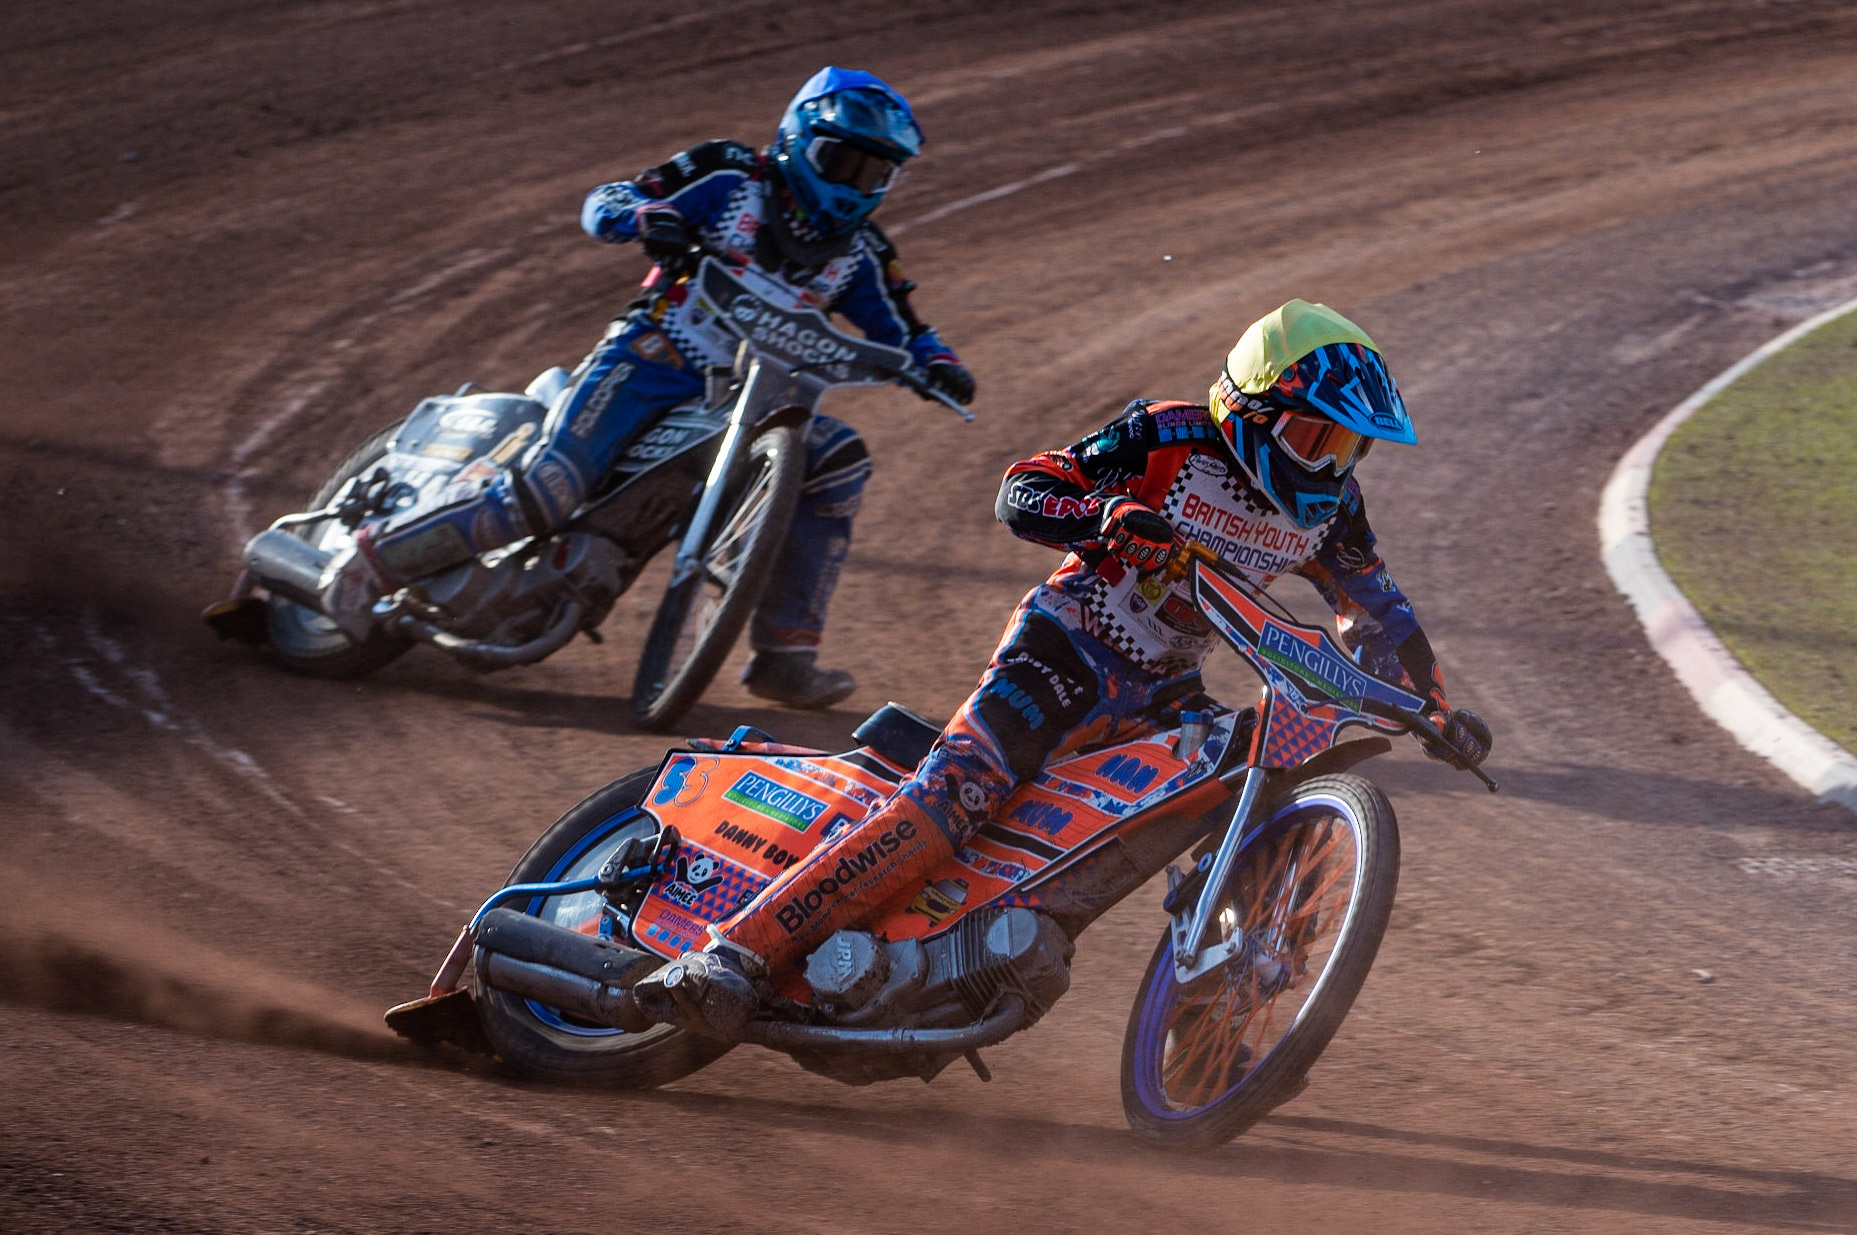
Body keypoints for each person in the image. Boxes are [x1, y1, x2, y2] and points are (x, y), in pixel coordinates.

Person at [630, 298, 1491, 1037]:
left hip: (1164, 687)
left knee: (1222, 788)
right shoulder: (1169, 435)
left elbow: (1377, 609)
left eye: (1349, 446)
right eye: (1317, 434)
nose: (1333, 461)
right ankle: (731, 957)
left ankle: (1159, 1004)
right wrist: (1106, 513)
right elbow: (1026, 487)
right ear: (1253, 409)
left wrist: (1433, 705)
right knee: (952, 799)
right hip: (1067, 642)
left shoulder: (1333, 507)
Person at [321, 67, 975, 708]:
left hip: (753, 401)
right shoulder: (728, 175)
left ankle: (784, 656)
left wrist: (937, 363)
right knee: (546, 492)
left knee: (837, 461)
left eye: (876, 172)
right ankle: (368, 563)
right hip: (648, 361)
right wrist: (647, 218)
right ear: (797, 140)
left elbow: (907, 328)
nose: (857, 184)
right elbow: (610, 199)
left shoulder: (859, 253)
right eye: (844, 161)